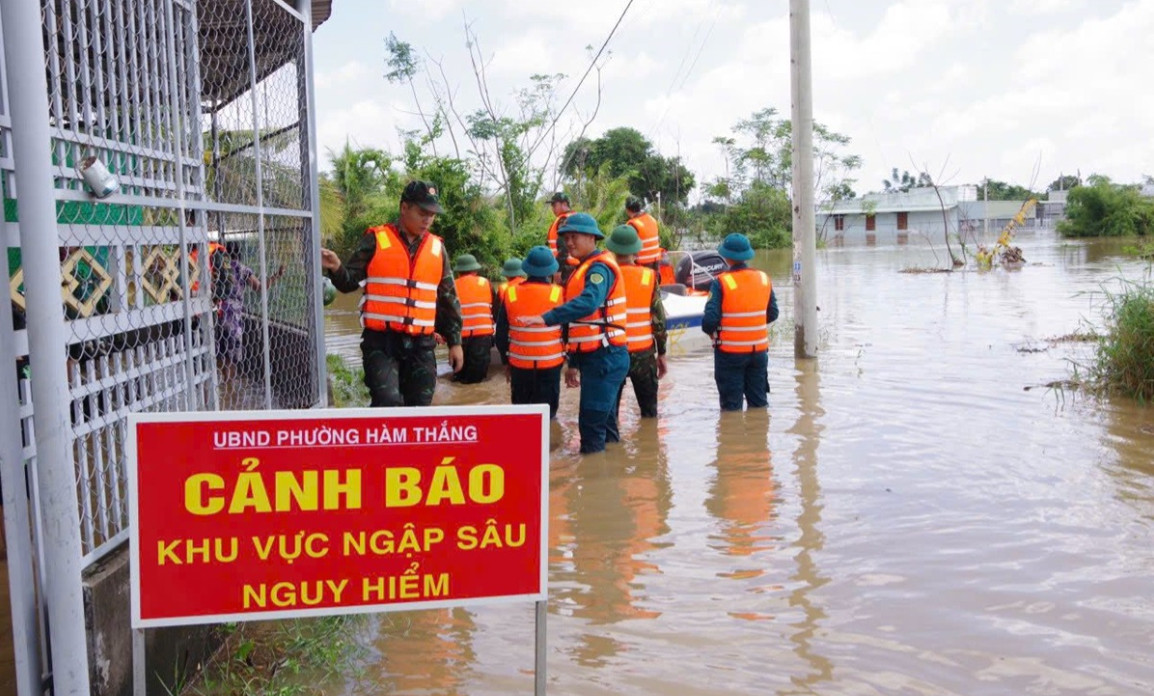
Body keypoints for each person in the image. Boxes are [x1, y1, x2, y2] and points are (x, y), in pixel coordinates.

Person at [320, 180, 464, 407]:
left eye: (432, 214)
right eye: (422, 212)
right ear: (404, 208)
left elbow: (448, 298)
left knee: (420, 407)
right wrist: (336, 267)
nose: (428, 219)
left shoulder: (438, 249)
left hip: (422, 346)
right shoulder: (375, 240)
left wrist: (455, 342)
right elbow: (348, 284)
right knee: (387, 402)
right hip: (381, 344)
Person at [520, 213, 630, 454]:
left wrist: (545, 318)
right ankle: (615, 475)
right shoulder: (585, 268)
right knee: (605, 425)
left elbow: (590, 302)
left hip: (605, 357)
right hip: (597, 357)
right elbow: (583, 325)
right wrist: (574, 362)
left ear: (592, 237)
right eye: (566, 238)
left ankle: (594, 483)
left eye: (574, 237)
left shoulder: (599, 268)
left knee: (590, 429)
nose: (569, 242)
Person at [700, 233, 778, 411]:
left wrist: (715, 331)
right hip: (758, 353)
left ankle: (732, 437)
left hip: (730, 354)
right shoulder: (763, 279)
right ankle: (758, 436)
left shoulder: (721, 282)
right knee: (759, 405)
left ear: (726, 257)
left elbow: (709, 321)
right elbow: (773, 313)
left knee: (731, 409)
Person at [604, 225, 667, 419]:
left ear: (613, 249)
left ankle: (613, 449)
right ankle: (649, 447)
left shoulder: (606, 276)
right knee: (649, 415)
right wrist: (662, 352)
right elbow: (659, 321)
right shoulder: (649, 277)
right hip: (644, 354)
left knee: (610, 416)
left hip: (613, 352)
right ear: (636, 250)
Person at [495, 246, 565, 418]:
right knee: (548, 416)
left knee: (522, 415)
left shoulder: (511, 293)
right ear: (551, 270)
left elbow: (501, 334)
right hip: (550, 364)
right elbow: (568, 330)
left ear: (526, 269)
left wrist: (506, 361)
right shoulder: (558, 293)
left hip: (520, 366)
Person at [452, 253, 497, 384]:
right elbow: (495, 310)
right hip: (482, 338)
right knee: (477, 380)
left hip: (458, 340)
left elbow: (445, 313)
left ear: (458, 272)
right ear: (475, 270)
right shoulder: (486, 283)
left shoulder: (451, 286)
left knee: (459, 377)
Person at [545, 191, 580, 282]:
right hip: (577, 265)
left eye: (554, 205)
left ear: (564, 204)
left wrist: (558, 270)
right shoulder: (575, 218)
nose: (553, 209)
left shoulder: (564, 220)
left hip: (565, 267)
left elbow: (563, 247)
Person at [625, 196, 662, 271]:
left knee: (644, 282)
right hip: (656, 262)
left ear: (627, 210)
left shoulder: (632, 224)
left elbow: (627, 247)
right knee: (653, 281)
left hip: (643, 264)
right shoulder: (651, 219)